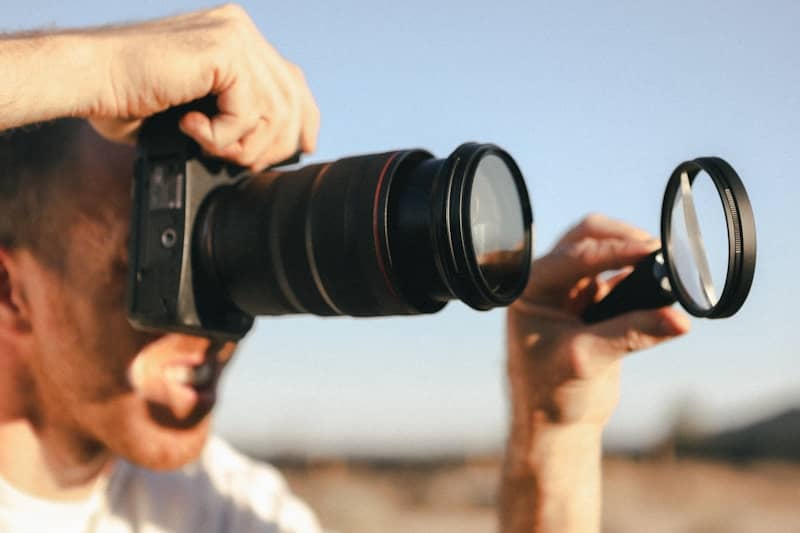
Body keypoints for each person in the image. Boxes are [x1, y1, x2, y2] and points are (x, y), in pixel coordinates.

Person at [0, 5, 690, 532]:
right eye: (162, 253)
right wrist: (90, 67)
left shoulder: (217, 507)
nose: (216, 329)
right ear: (9, 291)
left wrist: (552, 429)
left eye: (229, 264)